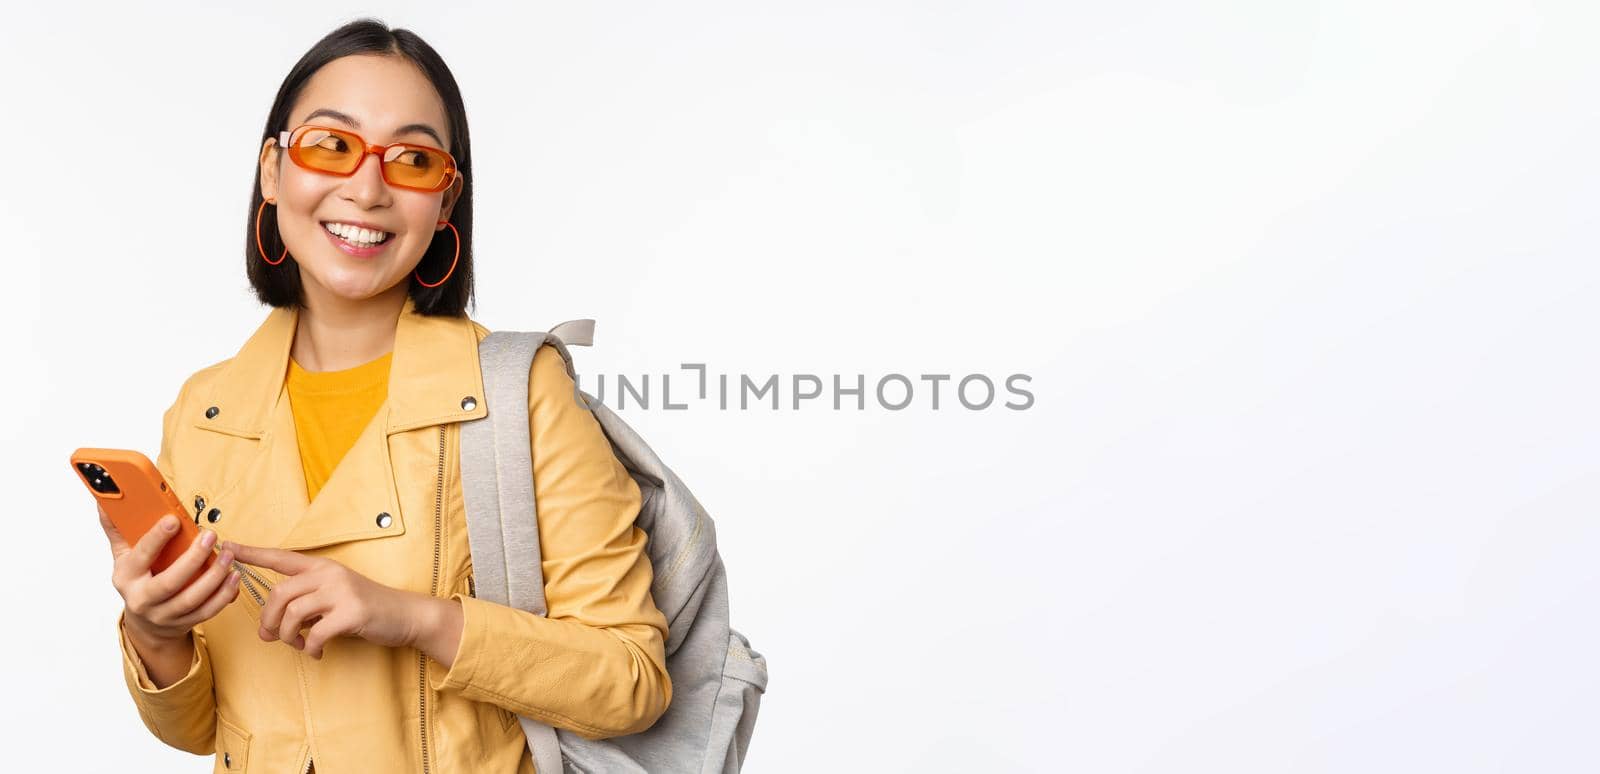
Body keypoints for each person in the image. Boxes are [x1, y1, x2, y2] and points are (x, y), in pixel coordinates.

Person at [97, 18, 672, 773]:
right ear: (273, 171)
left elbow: (632, 681)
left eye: (412, 159)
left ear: (445, 200)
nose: (367, 189)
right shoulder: (205, 412)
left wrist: (413, 618)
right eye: (330, 146)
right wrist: (153, 629)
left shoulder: (518, 391)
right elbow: (204, 730)